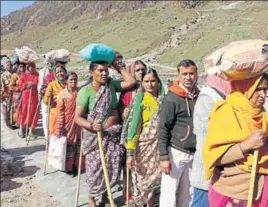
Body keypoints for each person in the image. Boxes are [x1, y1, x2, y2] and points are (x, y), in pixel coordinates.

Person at [74, 60, 135, 207]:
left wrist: (115, 65)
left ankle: (106, 194)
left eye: (106, 70)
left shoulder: (111, 85)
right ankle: (92, 200)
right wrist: (91, 125)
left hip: (114, 136)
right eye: (100, 70)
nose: (104, 73)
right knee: (95, 170)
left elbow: (131, 81)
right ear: (91, 72)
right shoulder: (85, 91)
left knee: (111, 168)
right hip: (96, 137)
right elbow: (77, 118)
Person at [203, 74, 268, 207]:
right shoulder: (226, 112)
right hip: (232, 190)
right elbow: (214, 156)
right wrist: (246, 145)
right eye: (257, 89)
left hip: (261, 188)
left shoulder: (261, 115)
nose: (262, 95)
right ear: (246, 88)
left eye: (265, 90)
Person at [158, 59, 199, 207]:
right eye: (185, 74)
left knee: (188, 195)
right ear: (179, 75)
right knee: (169, 195)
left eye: (191, 73)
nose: (188, 77)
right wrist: (163, 157)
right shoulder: (171, 98)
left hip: (194, 153)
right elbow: (163, 128)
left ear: (197, 74)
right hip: (176, 152)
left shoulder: (198, 96)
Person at [123, 68, 165, 207]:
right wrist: (130, 153)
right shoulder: (139, 101)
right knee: (142, 181)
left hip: (159, 147)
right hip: (143, 147)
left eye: (153, 81)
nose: (150, 84)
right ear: (142, 83)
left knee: (154, 183)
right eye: (146, 81)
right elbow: (134, 128)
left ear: (158, 81)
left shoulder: (164, 99)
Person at [191, 75, 231, 207]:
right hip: (208, 171)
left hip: (223, 174)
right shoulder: (208, 97)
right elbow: (211, 136)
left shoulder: (224, 95)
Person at [55, 72, 85, 175]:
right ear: (66, 81)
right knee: (69, 145)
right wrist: (59, 127)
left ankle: (78, 165)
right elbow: (60, 113)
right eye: (71, 79)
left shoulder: (80, 92)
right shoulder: (62, 95)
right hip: (68, 124)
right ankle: (68, 167)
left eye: (75, 79)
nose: (73, 82)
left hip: (79, 122)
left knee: (79, 144)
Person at [43, 64, 67, 136]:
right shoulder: (52, 85)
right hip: (55, 113)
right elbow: (46, 102)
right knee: (55, 136)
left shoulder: (69, 84)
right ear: (55, 75)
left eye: (61, 71)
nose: (60, 74)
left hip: (67, 114)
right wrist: (48, 96)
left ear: (65, 72)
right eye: (57, 72)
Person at [17, 62, 39, 138]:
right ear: (27, 67)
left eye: (32, 67)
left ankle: (31, 131)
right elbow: (20, 86)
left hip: (34, 98)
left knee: (33, 113)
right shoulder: (23, 75)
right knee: (24, 113)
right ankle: (21, 129)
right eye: (29, 67)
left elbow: (38, 84)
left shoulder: (37, 75)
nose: (31, 68)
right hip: (26, 98)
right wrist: (26, 84)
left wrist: (34, 84)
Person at [38, 59, 54, 139]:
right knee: (46, 118)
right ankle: (47, 137)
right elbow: (42, 86)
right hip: (46, 99)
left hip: (56, 102)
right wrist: (44, 92)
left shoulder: (62, 75)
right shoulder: (44, 72)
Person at [9, 62, 26, 127]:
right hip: (17, 95)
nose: (22, 68)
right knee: (17, 109)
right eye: (20, 66)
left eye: (23, 66)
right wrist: (18, 88)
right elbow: (11, 86)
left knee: (24, 109)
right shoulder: (14, 75)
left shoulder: (26, 75)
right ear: (18, 67)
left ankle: (23, 123)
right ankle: (18, 123)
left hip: (25, 94)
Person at [1, 57, 13, 127]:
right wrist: (3, 94)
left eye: (10, 65)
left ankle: (12, 121)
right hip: (6, 93)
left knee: (13, 107)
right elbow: (2, 85)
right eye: (7, 65)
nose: (9, 66)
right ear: (4, 66)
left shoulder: (14, 74)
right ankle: (7, 121)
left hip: (13, 93)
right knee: (6, 107)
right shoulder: (2, 75)